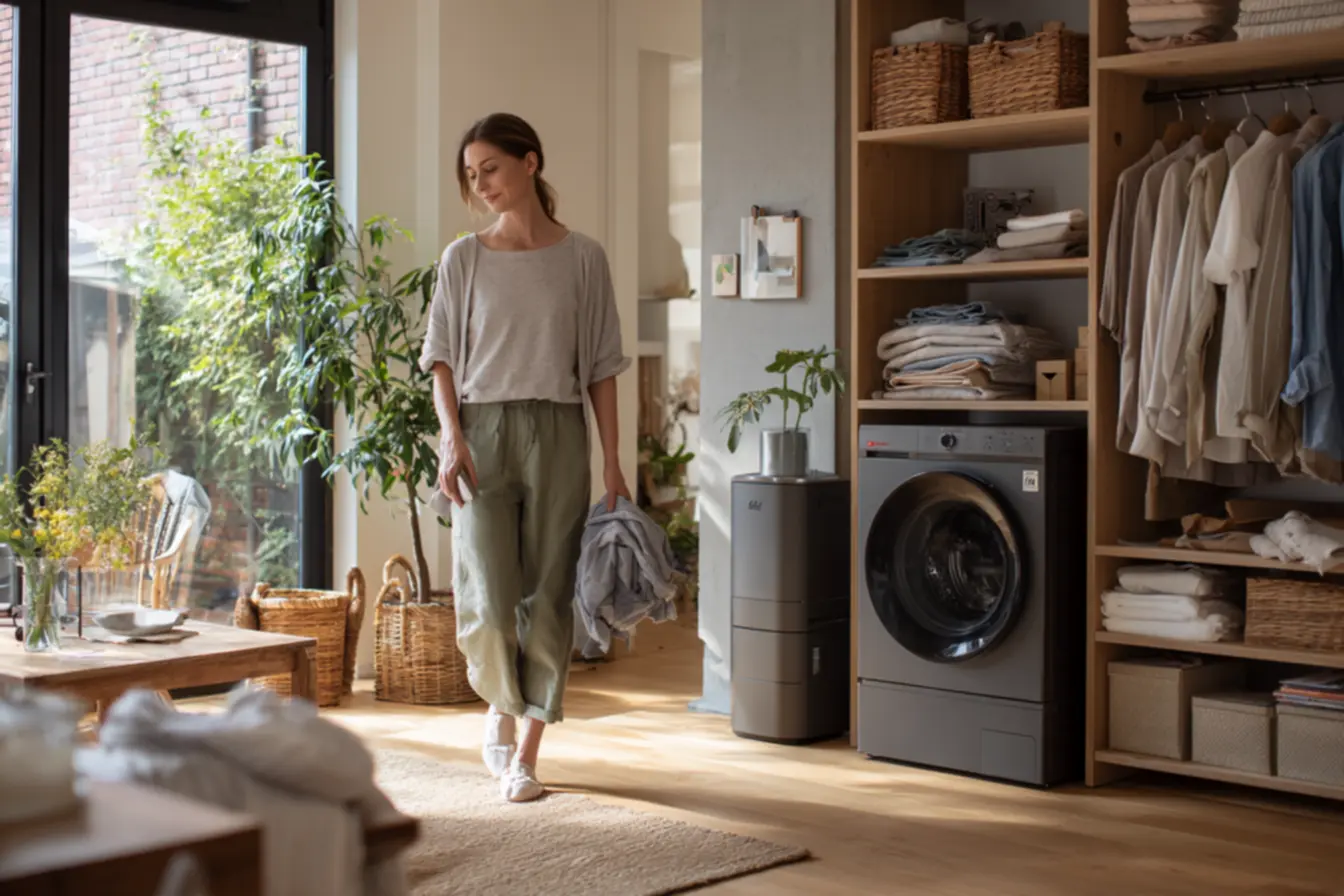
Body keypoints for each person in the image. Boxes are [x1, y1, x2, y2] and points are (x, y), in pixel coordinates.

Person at [418, 112, 631, 803]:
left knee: (548, 593)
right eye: (471, 175)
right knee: (484, 594)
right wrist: (452, 436)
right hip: (482, 432)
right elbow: (441, 357)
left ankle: (527, 753)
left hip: (559, 431)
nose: (481, 186)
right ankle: (499, 706)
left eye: (491, 169)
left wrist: (612, 462)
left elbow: (600, 365)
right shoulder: (464, 258)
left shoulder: (583, 257)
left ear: (530, 163)